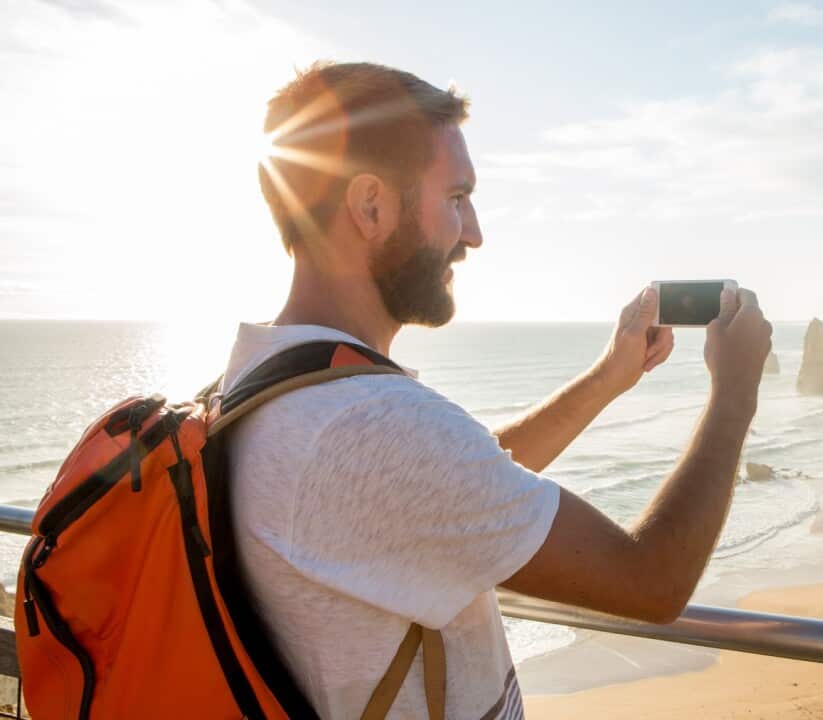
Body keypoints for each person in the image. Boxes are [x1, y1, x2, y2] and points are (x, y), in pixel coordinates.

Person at [223, 61, 772, 719]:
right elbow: (651, 582)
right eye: (456, 198)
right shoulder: (367, 426)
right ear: (371, 207)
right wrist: (736, 392)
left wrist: (608, 379)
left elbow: (463, 479)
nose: (474, 233)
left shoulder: (263, 384)